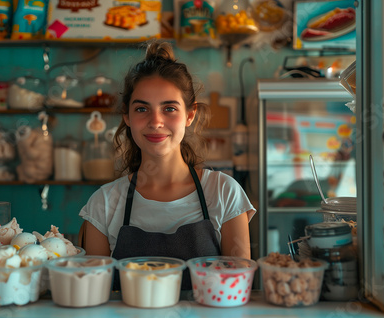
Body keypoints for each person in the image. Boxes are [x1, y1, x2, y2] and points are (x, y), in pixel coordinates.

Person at [78, 40, 256, 289]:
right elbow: (93, 293)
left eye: (169, 108)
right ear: (127, 117)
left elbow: (236, 291)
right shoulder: (103, 204)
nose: (156, 121)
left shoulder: (224, 193)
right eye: (142, 109)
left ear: (190, 115)